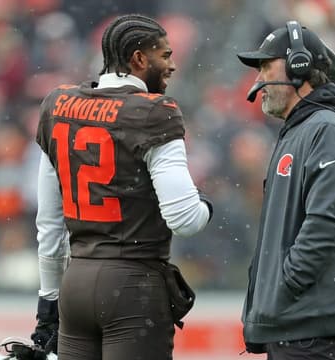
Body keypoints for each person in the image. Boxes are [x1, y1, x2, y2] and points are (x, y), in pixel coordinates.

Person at [30, 14, 213, 360]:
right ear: (139, 59)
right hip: (132, 285)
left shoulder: (59, 105)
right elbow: (184, 218)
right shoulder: (155, 112)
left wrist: (49, 297)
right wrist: (206, 204)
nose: (172, 65)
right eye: (165, 55)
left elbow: (50, 224)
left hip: (77, 285)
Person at [237, 20, 335, 360]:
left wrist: (288, 284)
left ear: (299, 66)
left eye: (266, 66)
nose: (258, 80)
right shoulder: (303, 129)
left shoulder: (325, 127)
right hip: (299, 325)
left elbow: (330, 219)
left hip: (309, 327)